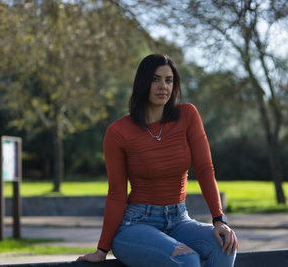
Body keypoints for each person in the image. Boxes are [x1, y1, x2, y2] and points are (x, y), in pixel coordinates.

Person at [77, 54, 238, 266]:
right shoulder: (119, 132)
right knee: (187, 260)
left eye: (168, 80)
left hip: (179, 218)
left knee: (224, 246)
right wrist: (101, 250)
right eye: (155, 79)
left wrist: (219, 220)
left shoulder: (187, 115)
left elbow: (205, 169)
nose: (163, 86)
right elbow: (116, 193)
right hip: (135, 225)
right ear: (143, 83)